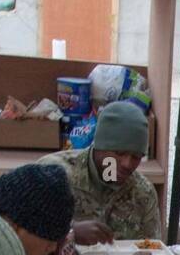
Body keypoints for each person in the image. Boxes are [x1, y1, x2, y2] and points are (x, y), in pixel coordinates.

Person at [39, 101, 161, 243]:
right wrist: (70, 233)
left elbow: (154, 251)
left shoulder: (142, 193)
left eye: (136, 157)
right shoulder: (53, 174)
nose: (127, 164)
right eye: (119, 153)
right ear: (99, 146)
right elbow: (19, 238)